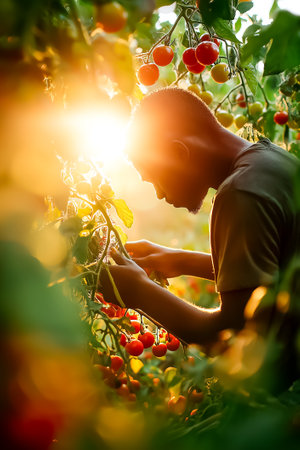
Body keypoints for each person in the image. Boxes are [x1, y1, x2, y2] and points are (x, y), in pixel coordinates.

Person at [101, 87, 300, 354]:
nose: (159, 194)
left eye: (155, 180)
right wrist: (181, 260)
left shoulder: (240, 194)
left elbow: (234, 340)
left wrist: (139, 291)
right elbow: (275, 269)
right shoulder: (271, 160)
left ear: (178, 154)